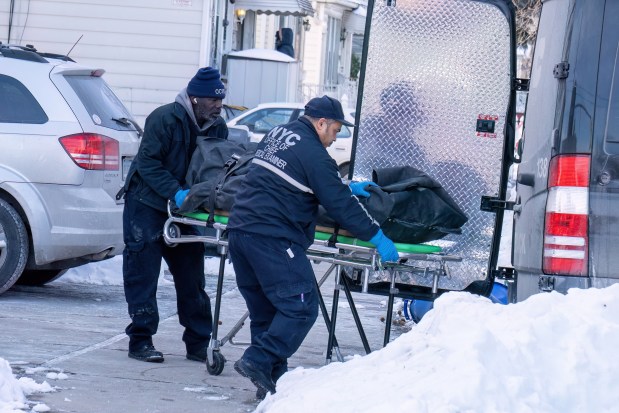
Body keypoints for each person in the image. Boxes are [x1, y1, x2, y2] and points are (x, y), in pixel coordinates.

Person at [226, 95, 399, 398]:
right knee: (301, 309)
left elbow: (295, 178)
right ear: (321, 123)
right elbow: (341, 206)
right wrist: (377, 236)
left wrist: (343, 185)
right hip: (273, 237)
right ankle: (258, 359)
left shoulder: (278, 134)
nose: (335, 138)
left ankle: (270, 387)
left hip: (241, 232)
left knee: (267, 312)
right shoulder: (315, 153)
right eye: (335, 130)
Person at [121, 67, 228, 363]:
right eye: (212, 100)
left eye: (221, 99)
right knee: (143, 272)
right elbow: (148, 164)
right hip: (147, 202)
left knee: (191, 275)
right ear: (194, 98)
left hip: (186, 210)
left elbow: (217, 169)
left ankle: (197, 342)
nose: (218, 105)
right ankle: (140, 340)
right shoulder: (165, 118)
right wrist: (176, 192)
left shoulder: (218, 127)